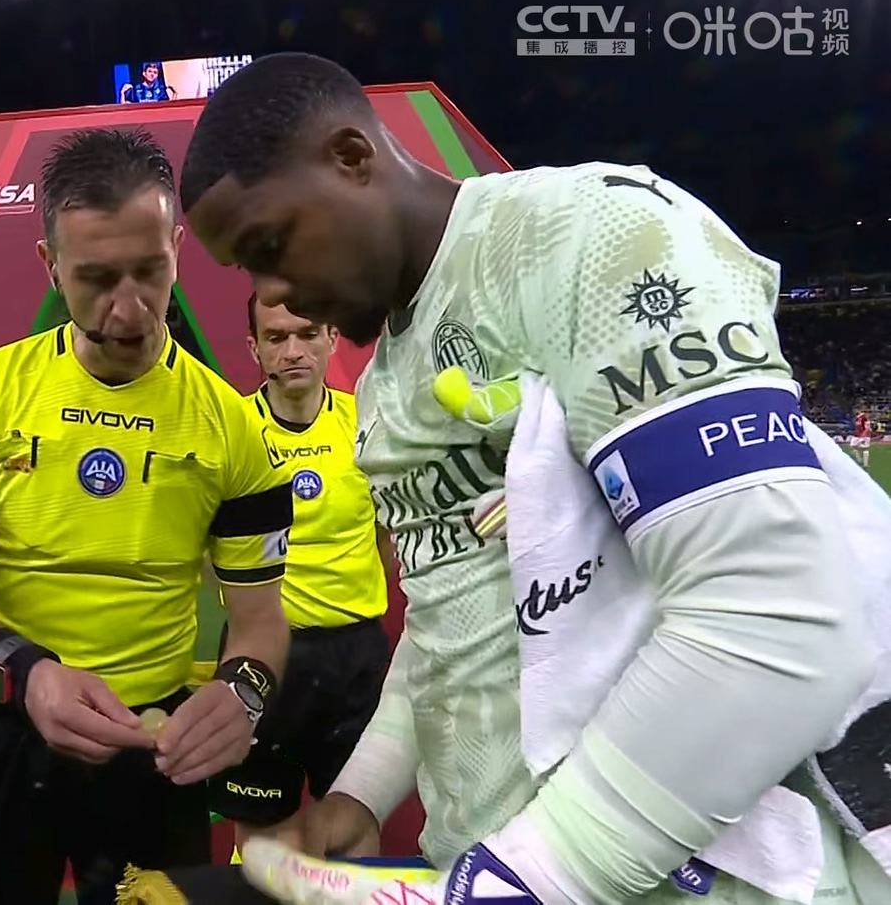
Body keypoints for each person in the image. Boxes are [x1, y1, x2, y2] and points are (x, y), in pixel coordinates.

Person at [179, 52, 889, 904]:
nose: (279, 294)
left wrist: (536, 874)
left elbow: (777, 611)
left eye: (271, 246)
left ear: (351, 157)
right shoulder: (380, 385)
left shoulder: (593, 236)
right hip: (492, 864)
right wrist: (361, 794)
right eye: (249, 273)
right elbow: (451, 621)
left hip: (682, 878)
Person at [0, 127, 293, 905]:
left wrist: (243, 692)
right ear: (50, 265)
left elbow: (260, 621)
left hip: (156, 750)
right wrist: (30, 677)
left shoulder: (235, 427)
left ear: (177, 248)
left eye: (149, 271)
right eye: (95, 278)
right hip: (10, 724)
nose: (129, 308)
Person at [212, 294, 394, 863]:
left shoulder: (367, 423)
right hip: (263, 660)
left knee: (357, 821)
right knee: (263, 832)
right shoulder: (231, 430)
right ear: (254, 348)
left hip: (354, 659)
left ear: (332, 338)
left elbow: (387, 535)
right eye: (276, 337)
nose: (293, 350)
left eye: (307, 333)